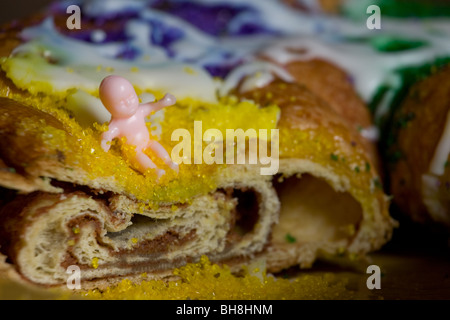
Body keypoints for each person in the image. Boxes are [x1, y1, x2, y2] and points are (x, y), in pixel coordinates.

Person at [99, 75, 179, 177]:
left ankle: (169, 163)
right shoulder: (117, 124)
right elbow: (108, 133)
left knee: (156, 146)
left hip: (147, 142)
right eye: (121, 102)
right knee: (140, 158)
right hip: (133, 151)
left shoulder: (139, 110)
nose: (128, 103)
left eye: (131, 97)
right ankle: (155, 172)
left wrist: (163, 103)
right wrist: (105, 140)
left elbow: (152, 107)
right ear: (109, 107)